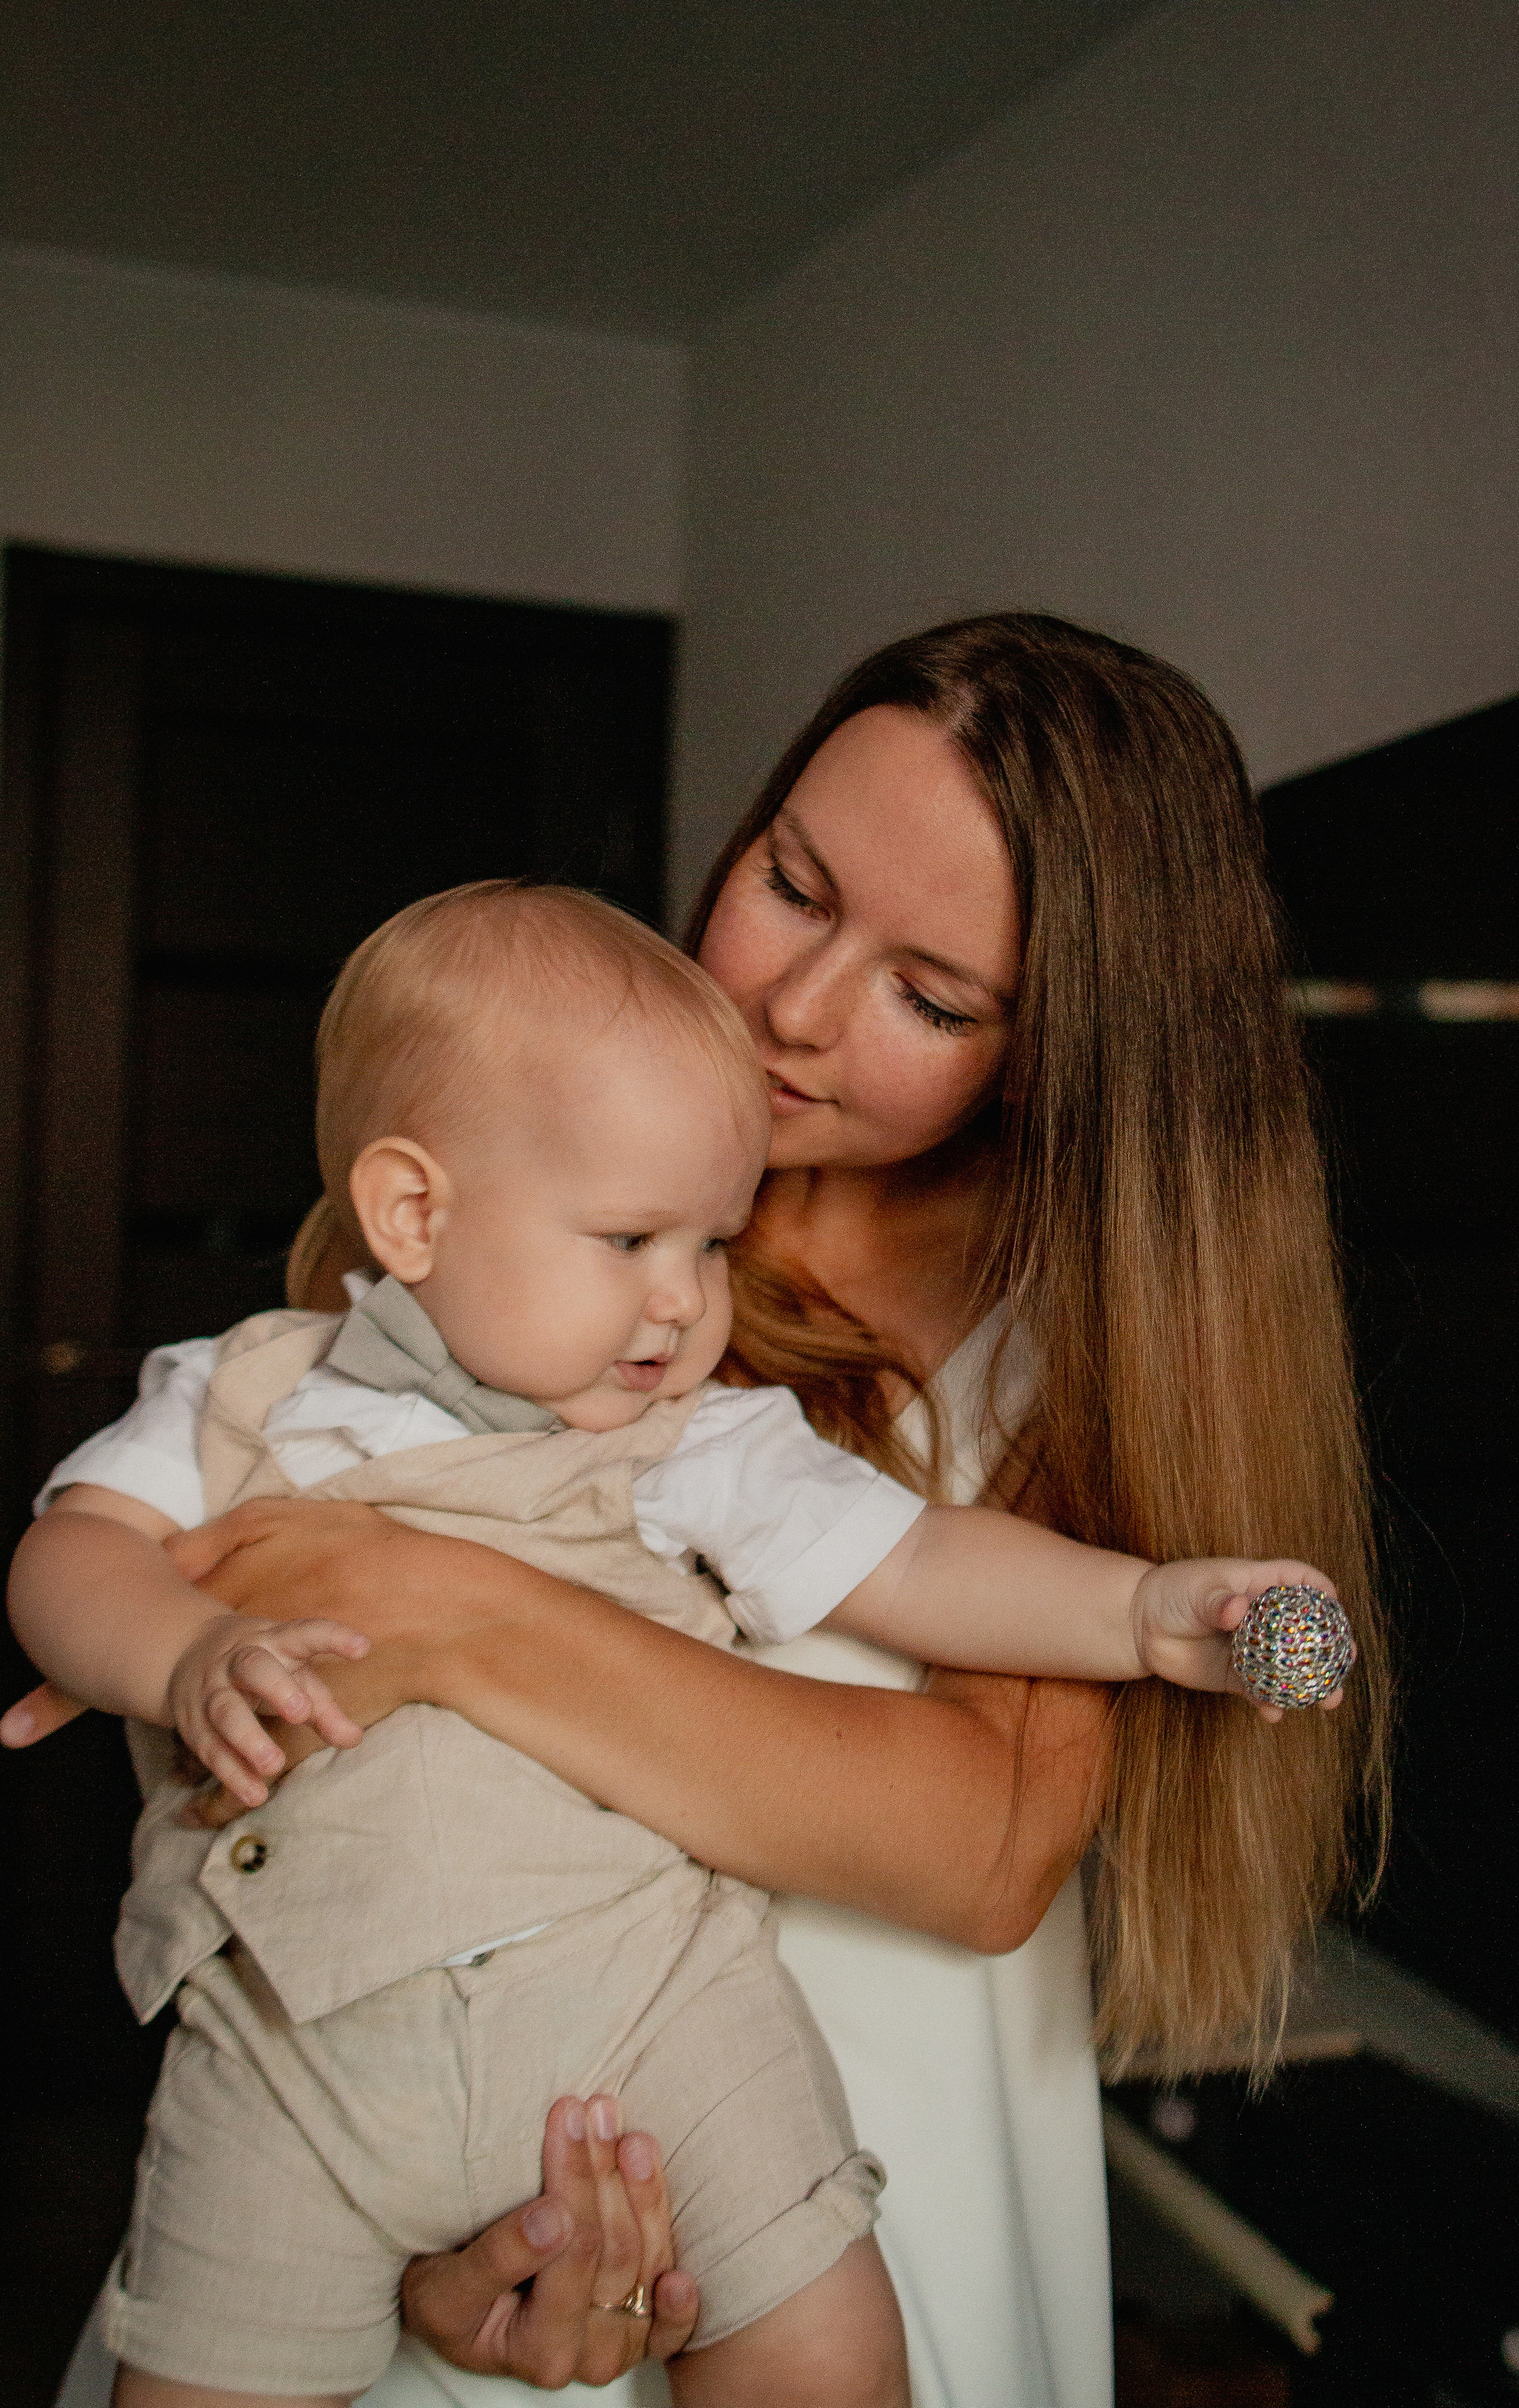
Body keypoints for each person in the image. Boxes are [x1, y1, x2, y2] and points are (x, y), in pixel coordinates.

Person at [13, 614, 1388, 2408]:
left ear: (1067, 1047)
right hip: (424, 2143)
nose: (793, 1009)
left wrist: (451, 1615)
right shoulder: (522, 1189)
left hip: (833, 2177)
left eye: (932, 996)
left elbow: (977, 1858)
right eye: (792, 885)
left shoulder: (1072, 1343)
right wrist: (420, 2241)